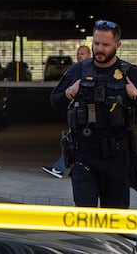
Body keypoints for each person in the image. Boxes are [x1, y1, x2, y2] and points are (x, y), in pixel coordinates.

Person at [50, 20, 137, 209]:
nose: (99, 49)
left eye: (105, 44)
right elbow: (55, 102)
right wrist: (71, 92)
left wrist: (136, 96)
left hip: (117, 159)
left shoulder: (130, 72)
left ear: (117, 45)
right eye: (96, 43)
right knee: (86, 221)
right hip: (84, 156)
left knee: (115, 224)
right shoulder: (79, 70)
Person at [42, 45, 92, 178]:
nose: (79, 56)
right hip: (75, 110)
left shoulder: (89, 70)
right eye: (78, 53)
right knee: (74, 140)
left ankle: (60, 168)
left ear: (89, 55)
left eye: (82, 53)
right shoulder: (76, 69)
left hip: (84, 112)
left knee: (73, 140)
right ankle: (70, 168)